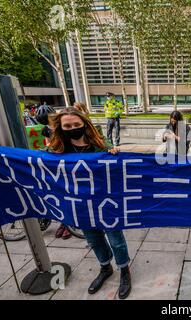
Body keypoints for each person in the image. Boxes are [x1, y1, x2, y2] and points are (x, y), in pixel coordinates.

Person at [48, 107, 132, 299]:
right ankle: (105, 268)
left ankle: (124, 271)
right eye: (67, 125)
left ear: (85, 124)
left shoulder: (101, 145)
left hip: (105, 203)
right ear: (61, 128)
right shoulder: (58, 150)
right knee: (94, 240)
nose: (73, 128)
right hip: (81, 206)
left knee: (116, 241)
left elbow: (116, 166)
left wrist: (114, 152)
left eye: (76, 124)